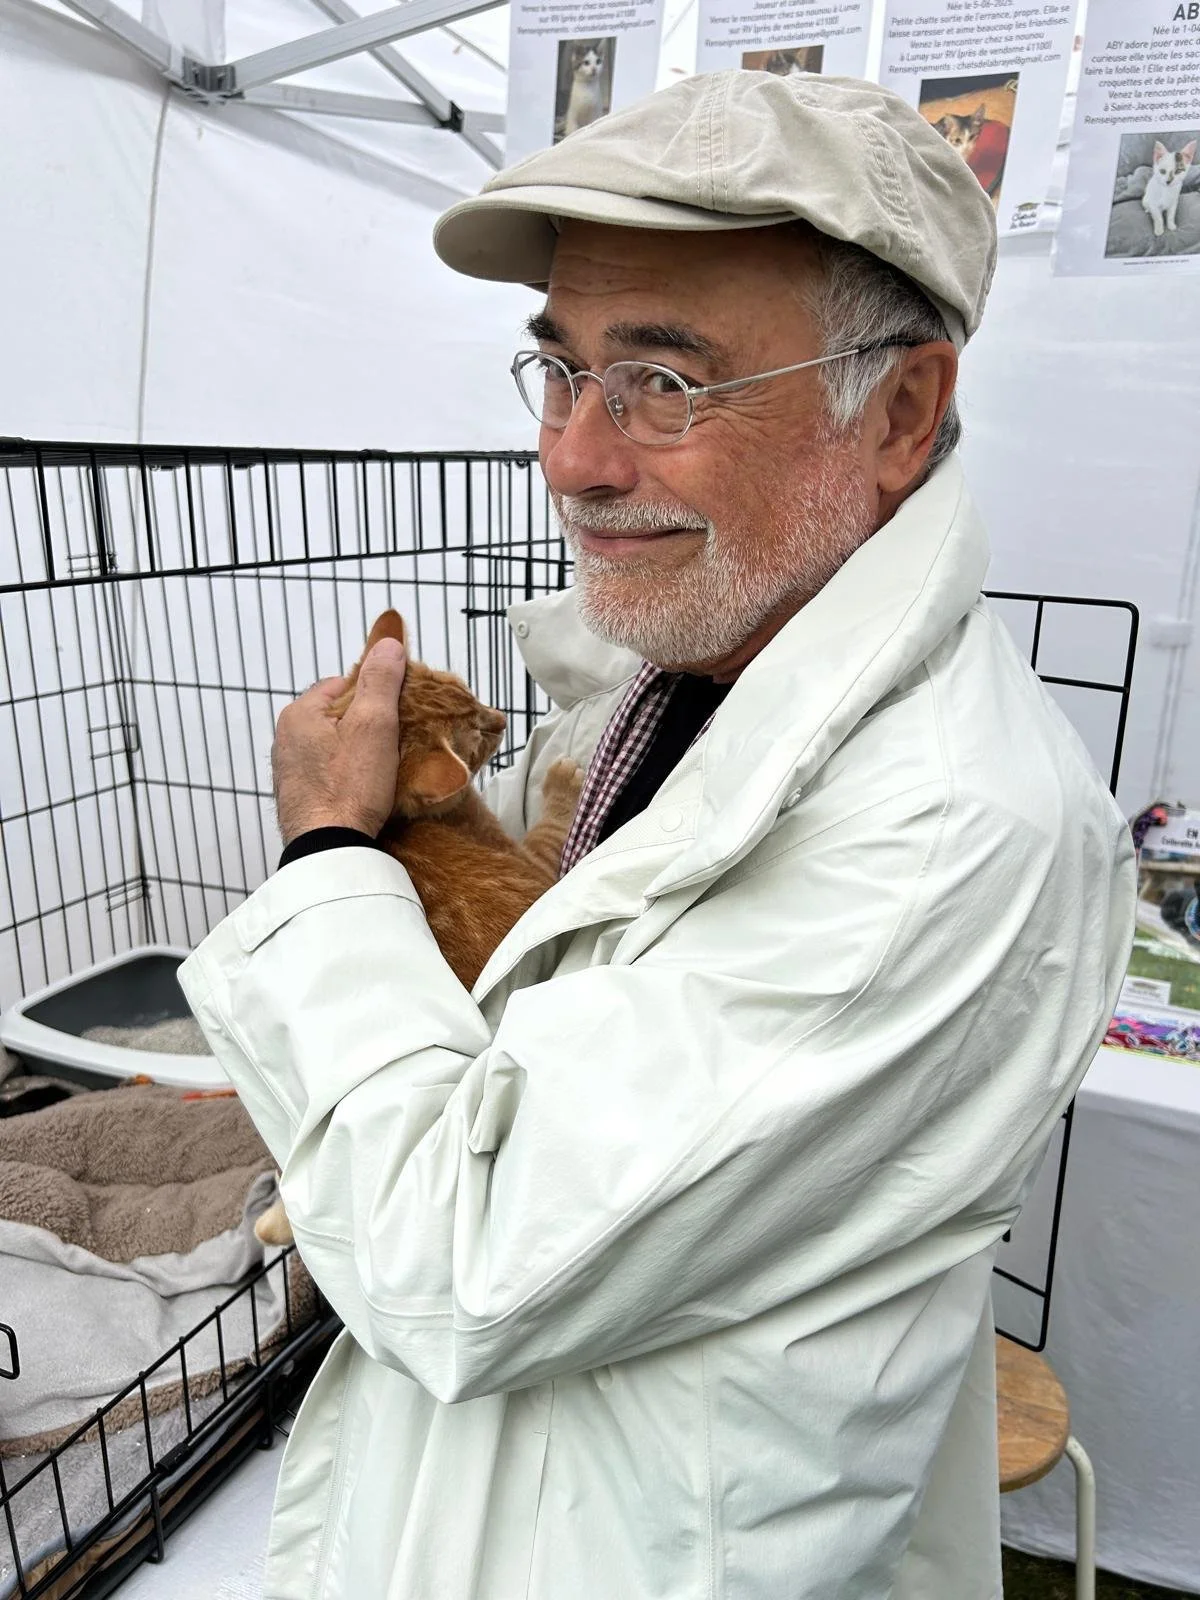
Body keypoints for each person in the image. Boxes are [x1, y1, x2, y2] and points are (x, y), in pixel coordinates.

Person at [180, 71, 1135, 1600]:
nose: (573, 458)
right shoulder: (703, 661)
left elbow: (462, 1259)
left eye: (667, 384)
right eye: (558, 373)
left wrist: (331, 859)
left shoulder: (943, 836)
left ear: (899, 414)